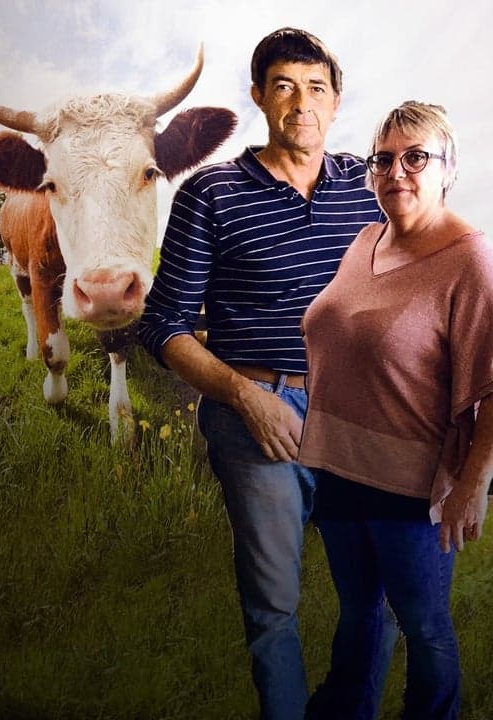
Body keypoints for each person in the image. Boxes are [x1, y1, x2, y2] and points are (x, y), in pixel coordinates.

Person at [136, 28, 395, 719]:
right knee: (275, 608)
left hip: (359, 421)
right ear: (258, 97)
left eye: (316, 88)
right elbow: (161, 325)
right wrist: (246, 398)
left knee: (385, 596)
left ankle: (346, 708)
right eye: (283, 85)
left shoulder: (368, 190)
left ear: (336, 102)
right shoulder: (212, 194)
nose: (301, 102)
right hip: (259, 419)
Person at [299, 101, 493, 719]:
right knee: (358, 613)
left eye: (416, 157)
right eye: (383, 160)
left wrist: (474, 481)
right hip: (337, 469)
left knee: (424, 627)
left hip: (409, 486)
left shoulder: (471, 260)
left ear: (448, 168)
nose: (396, 172)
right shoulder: (365, 239)